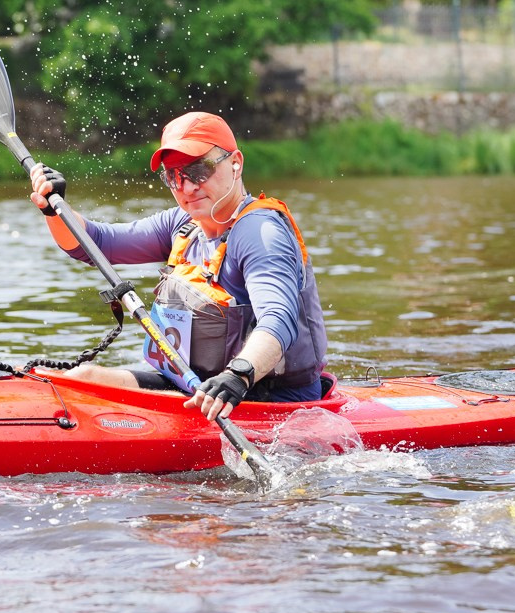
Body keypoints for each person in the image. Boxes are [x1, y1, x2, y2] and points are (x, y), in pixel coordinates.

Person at [29, 111, 328, 423]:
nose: (186, 187)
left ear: (235, 163)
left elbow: (278, 321)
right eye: (173, 176)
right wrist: (56, 209)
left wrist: (237, 375)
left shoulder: (260, 233)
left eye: (198, 170)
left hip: (269, 400)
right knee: (84, 376)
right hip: (193, 388)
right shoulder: (183, 224)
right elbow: (94, 244)